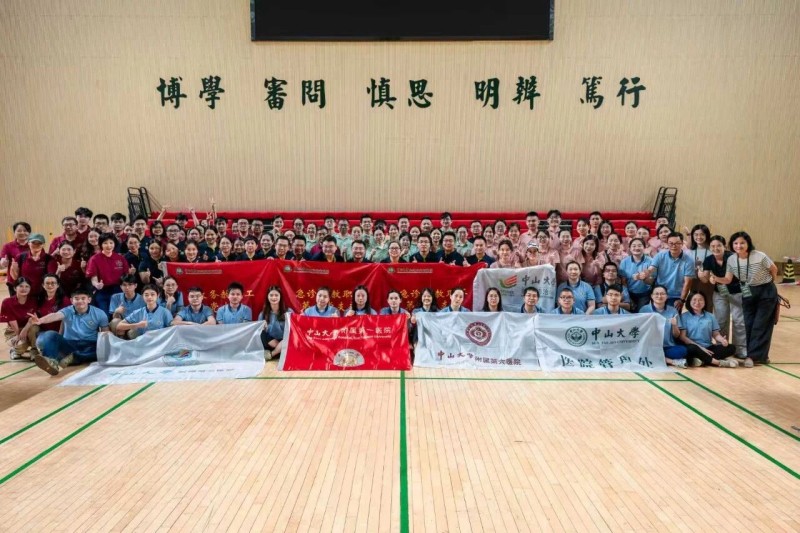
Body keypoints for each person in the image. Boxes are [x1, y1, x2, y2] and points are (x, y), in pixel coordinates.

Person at [720, 231, 778, 366]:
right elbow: (728, 279)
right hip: (747, 290)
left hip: (766, 290)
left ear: (748, 244)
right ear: (731, 245)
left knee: (761, 324)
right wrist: (715, 278)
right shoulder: (731, 259)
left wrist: (770, 284)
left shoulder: (759, 256)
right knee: (749, 324)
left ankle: (752, 357)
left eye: (742, 243)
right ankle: (761, 356)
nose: (738, 246)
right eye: (735, 243)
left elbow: (774, 269)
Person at [29, 287, 110, 375]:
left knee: (103, 351)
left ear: (89, 300)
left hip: (90, 345)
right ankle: (51, 361)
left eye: (83, 298)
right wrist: (40, 320)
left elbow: (105, 334)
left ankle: (73, 358)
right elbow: (55, 315)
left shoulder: (100, 313)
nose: (80, 301)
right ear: (71, 300)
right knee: (49, 334)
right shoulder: (67, 310)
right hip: (70, 344)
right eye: (76, 299)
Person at [699, 235, 746, 359]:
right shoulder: (709, 259)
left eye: (719, 245)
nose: (716, 248)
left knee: (739, 321)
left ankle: (740, 349)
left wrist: (715, 278)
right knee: (720, 320)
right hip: (720, 291)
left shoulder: (733, 257)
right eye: (713, 246)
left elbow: (728, 279)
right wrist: (701, 274)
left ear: (724, 246)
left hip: (737, 291)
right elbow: (705, 279)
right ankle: (722, 347)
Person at [679, 292, 738, 368]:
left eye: (700, 300)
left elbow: (716, 334)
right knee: (691, 349)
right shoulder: (684, 317)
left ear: (705, 302)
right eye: (694, 300)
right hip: (693, 346)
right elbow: (683, 337)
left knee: (731, 348)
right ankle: (717, 362)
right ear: (689, 301)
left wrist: (722, 340)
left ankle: (700, 360)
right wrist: (700, 348)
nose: (697, 302)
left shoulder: (710, 316)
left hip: (708, 347)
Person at [639, 285, 688, 368]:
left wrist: (674, 325)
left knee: (682, 351)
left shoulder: (673, 311)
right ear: (652, 296)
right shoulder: (644, 310)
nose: (659, 296)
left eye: (662, 294)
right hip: (650, 346)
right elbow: (640, 331)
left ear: (667, 296)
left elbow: (676, 335)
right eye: (656, 294)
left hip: (667, 347)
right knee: (645, 351)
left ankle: (658, 358)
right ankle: (672, 362)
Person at [646, 231, 694, 311]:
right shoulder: (660, 255)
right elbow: (652, 268)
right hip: (659, 293)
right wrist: (646, 272)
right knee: (656, 316)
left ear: (682, 244)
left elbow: (688, 282)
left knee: (672, 317)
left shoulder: (689, 260)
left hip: (676, 296)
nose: (674, 246)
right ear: (667, 244)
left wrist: (682, 300)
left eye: (677, 243)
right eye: (671, 243)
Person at [85, 233, 127, 314]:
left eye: (111, 243)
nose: (109, 246)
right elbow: (93, 278)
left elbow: (126, 276)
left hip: (118, 290)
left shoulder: (120, 258)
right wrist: (97, 284)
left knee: (119, 315)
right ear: (101, 244)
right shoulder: (94, 259)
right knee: (104, 315)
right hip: (102, 290)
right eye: (105, 243)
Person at [1, 278, 39, 360]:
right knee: (21, 344)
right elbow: (12, 321)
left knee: (35, 328)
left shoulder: (34, 301)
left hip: (30, 327)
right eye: (21, 286)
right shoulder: (7, 302)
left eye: (27, 286)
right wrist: (18, 335)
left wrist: (25, 329)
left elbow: (32, 320)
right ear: (15, 288)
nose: (24, 289)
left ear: (30, 288)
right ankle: (15, 350)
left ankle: (34, 350)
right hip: (13, 330)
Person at [9, 232, 52, 297]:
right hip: (24, 294)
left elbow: (51, 278)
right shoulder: (20, 257)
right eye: (33, 242)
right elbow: (15, 278)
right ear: (28, 243)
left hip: (42, 295)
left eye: (39, 243)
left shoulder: (49, 259)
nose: (36, 245)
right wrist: (13, 270)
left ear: (43, 244)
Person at [684, 223, 714, 311]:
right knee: (694, 303)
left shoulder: (712, 250)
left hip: (708, 282)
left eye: (702, 234)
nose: (699, 237)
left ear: (707, 235)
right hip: (693, 281)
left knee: (707, 303)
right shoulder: (689, 251)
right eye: (696, 234)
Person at [259, 286, 291, 359]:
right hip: (270, 342)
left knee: (290, 338)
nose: (274, 298)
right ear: (267, 297)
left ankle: (272, 354)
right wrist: (263, 328)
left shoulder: (288, 312)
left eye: (276, 295)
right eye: (271, 295)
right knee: (261, 333)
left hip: (284, 340)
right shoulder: (263, 314)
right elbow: (259, 332)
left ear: (280, 297)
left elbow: (293, 329)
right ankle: (280, 351)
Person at [1, 222, 31, 292]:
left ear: (29, 233)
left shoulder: (33, 245)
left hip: (30, 281)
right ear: (14, 232)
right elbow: (3, 260)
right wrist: (4, 262)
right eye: (19, 231)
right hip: (14, 282)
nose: (22, 233)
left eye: (25, 230)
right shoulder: (8, 246)